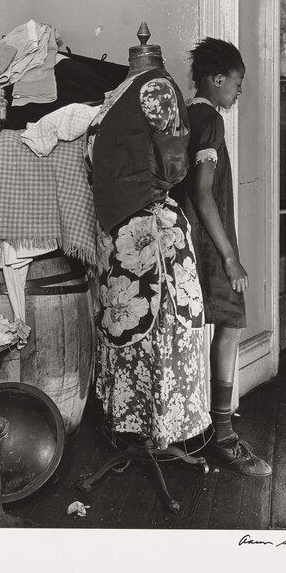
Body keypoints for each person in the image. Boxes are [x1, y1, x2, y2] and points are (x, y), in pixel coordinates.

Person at [86, 25, 210, 451]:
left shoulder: (157, 89)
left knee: (156, 331)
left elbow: (174, 167)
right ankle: (139, 429)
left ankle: (162, 431)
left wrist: (142, 197)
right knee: (127, 328)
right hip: (120, 238)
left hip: (150, 235)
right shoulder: (121, 90)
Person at [176, 37, 272, 476]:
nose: (238, 92)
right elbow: (201, 192)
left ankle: (211, 427)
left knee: (213, 329)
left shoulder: (190, 114)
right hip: (209, 243)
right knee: (231, 327)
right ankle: (224, 435)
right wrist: (230, 257)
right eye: (236, 83)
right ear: (217, 80)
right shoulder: (210, 119)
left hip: (190, 239)